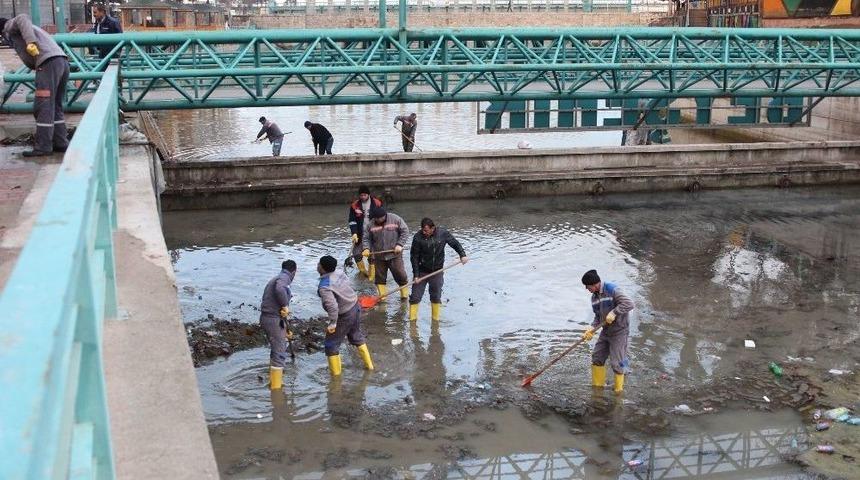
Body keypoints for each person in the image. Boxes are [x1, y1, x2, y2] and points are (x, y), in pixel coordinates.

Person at [0, 15, 70, 157]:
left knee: (43, 106)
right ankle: (61, 142)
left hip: (47, 63)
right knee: (55, 105)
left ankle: (43, 146)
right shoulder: (31, 29)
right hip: (61, 62)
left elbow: (22, 17)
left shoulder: (9, 26)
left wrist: (30, 42)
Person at [317, 255, 374, 376]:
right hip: (355, 305)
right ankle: (370, 366)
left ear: (323, 268)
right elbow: (347, 282)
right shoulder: (339, 272)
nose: (317, 266)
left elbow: (332, 307)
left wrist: (333, 323)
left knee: (330, 344)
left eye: (319, 264)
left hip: (345, 314)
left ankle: (336, 378)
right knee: (356, 335)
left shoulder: (324, 286)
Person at [581, 269, 635, 394]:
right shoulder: (594, 298)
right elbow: (597, 317)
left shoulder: (612, 289)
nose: (586, 289)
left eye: (587, 286)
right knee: (597, 357)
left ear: (595, 284)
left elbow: (629, 303)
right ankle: (598, 388)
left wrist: (614, 312)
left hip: (620, 331)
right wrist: (591, 329)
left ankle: (618, 392)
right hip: (606, 331)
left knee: (617, 363)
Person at [408, 217, 468, 322]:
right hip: (422, 271)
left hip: (437, 271)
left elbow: (455, 243)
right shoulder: (418, 238)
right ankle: (412, 323)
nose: (424, 232)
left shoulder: (442, 233)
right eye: (422, 229)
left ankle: (435, 322)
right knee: (415, 297)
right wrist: (416, 275)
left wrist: (462, 255)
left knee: (435, 296)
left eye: (426, 230)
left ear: (433, 228)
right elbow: (414, 257)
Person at [259, 260, 296, 390]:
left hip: (270, 319)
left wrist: (285, 329)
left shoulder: (277, 277)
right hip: (272, 320)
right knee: (280, 353)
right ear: (294, 272)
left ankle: (273, 379)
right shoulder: (284, 278)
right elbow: (280, 289)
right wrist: (285, 305)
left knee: (276, 350)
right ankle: (276, 390)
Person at [361, 207, 410, 301]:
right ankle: (383, 298)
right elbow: (366, 238)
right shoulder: (370, 224)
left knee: (400, 274)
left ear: (385, 215)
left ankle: (404, 296)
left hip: (395, 254)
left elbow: (405, 231)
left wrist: (400, 244)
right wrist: (366, 248)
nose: (379, 220)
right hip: (379, 256)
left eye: (381, 218)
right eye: (377, 218)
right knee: (380, 277)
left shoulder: (396, 219)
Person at [348, 185, 383, 280]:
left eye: (364, 195)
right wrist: (354, 233)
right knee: (356, 254)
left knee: (372, 256)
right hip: (360, 234)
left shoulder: (377, 203)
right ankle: (364, 272)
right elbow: (352, 221)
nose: (363, 197)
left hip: (373, 234)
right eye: (361, 195)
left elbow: (382, 218)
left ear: (368, 194)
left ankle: (372, 277)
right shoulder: (354, 205)